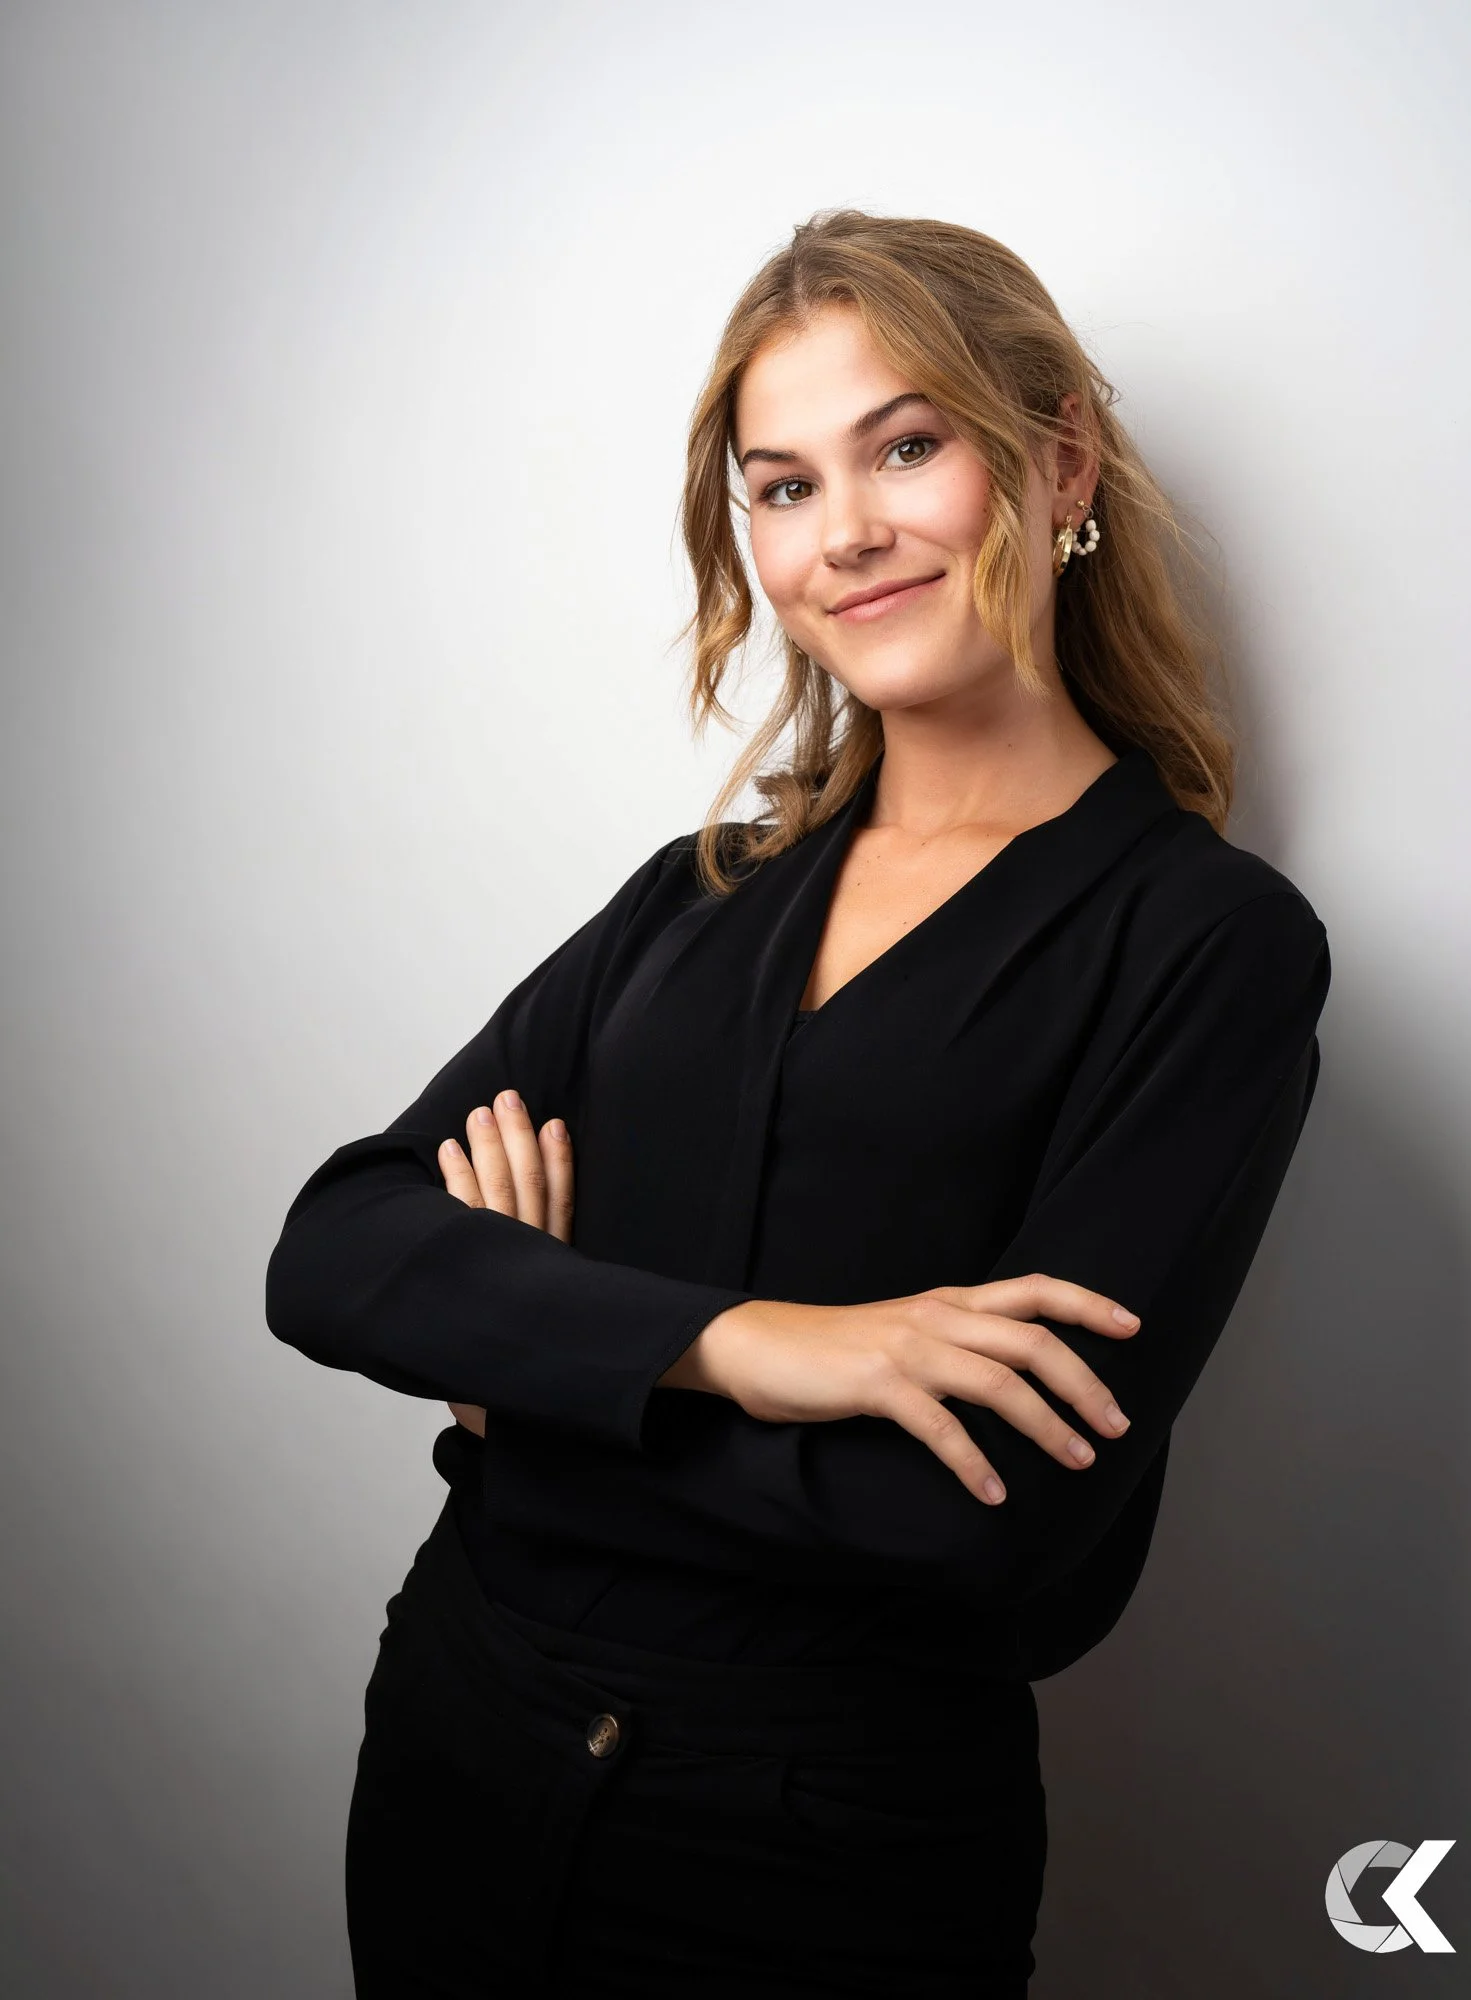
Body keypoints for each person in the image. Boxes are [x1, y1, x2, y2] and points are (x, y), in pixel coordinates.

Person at [265, 209, 1331, 1998]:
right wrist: (760, 1348)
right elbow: (335, 1250)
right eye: (783, 485)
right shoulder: (699, 892)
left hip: (818, 1850)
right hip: (461, 1744)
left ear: (1060, 460)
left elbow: (995, 1525)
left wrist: (534, 1371)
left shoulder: (1209, 946)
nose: (844, 532)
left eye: (906, 449)